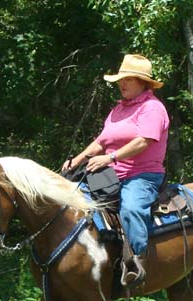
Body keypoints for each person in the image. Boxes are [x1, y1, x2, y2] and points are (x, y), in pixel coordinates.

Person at [63, 54, 169, 286]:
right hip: (112, 174)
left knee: (131, 208)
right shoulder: (118, 110)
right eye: (121, 79)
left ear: (143, 83)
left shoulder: (152, 108)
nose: (122, 83)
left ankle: (137, 263)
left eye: (128, 79)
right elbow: (101, 141)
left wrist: (109, 157)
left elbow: (144, 141)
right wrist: (78, 160)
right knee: (76, 202)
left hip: (142, 175)